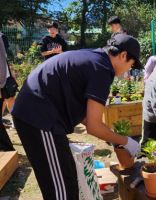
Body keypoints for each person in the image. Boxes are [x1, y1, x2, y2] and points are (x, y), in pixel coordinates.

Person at [11, 34, 142, 199]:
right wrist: (126, 141)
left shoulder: (94, 59)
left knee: (68, 178)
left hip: (39, 115)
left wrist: (112, 136)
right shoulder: (102, 69)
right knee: (62, 191)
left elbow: (87, 118)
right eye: (131, 64)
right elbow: (93, 127)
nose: (129, 69)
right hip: (38, 118)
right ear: (123, 56)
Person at [0, 32, 15, 151]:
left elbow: (3, 59)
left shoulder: (1, 37)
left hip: (4, 79)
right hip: (3, 79)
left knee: (10, 99)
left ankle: (7, 149)